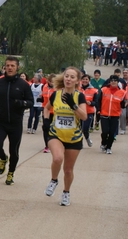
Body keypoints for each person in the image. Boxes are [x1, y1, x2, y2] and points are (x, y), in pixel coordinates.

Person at [0, 56, 33, 185]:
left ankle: (11, 173)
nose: (10, 68)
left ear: (17, 67)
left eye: (12, 65)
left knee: (14, 151)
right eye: (7, 65)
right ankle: (2, 158)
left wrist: (20, 103)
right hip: (0, 122)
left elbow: (30, 102)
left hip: (15, 123)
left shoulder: (23, 85)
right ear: (4, 67)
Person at [43, 67, 88, 206]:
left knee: (68, 170)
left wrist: (73, 105)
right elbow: (46, 108)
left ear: (77, 81)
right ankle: (54, 180)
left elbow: (84, 117)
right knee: (57, 158)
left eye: (72, 77)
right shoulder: (56, 94)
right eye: (66, 76)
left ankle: (66, 192)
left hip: (74, 138)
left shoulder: (79, 96)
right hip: (56, 134)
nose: (68, 79)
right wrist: (45, 122)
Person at [98, 75, 127, 154]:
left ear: (118, 82)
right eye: (112, 80)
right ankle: (103, 143)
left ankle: (108, 147)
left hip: (115, 115)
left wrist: (125, 104)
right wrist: (98, 110)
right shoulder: (104, 90)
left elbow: (122, 105)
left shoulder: (122, 92)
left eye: (115, 80)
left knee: (111, 133)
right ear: (109, 82)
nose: (113, 82)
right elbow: (99, 100)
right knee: (105, 132)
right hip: (104, 114)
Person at [39, 74, 56, 153]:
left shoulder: (58, 89)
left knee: (54, 129)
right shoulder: (44, 87)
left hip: (55, 111)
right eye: (51, 81)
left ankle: (55, 143)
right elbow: (43, 98)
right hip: (46, 110)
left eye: (54, 81)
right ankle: (47, 145)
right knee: (45, 127)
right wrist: (40, 99)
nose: (52, 83)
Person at [80, 74, 98, 147]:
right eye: (83, 79)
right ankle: (80, 143)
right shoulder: (77, 89)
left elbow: (95, 102)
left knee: (85, 128)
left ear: (89, 81)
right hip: (79, 112)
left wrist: (90, 103)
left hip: (89, 112)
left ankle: (87, 138)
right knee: (79, 129)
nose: (85, 81)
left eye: (86, 79)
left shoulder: (94, 90)